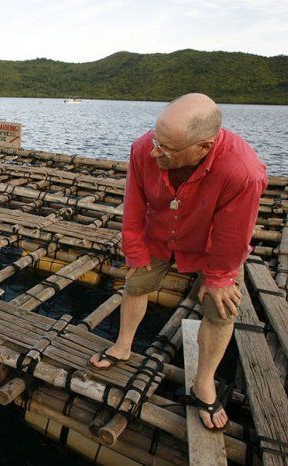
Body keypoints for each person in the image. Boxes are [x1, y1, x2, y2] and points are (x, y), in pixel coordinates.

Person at [88, 93, 267, 431]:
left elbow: (234, 235)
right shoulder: (145, 148)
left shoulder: (243, 170)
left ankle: (204, 382)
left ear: (203, 147)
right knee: (136, 283)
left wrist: (217, 279)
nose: (155, 151)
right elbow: (133, 207)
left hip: (211, 245)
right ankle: (124, 345)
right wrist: (137, 253)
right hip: (158, 235)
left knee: (221, 308)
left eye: (166, 149)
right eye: (156, 139)